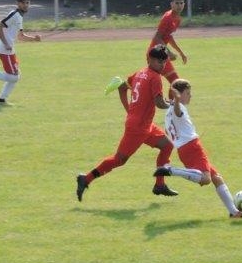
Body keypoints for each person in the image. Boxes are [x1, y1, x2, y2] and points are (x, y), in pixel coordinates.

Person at [76, 45, 178, 202]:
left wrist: (130, 110)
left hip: (144, 125)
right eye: (159, 61)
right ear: (150, 60)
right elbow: (159, 103)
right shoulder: (155, 78)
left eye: (165, 62)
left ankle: (159, 185)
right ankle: (86, 179)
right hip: (138, 128)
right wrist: (173, 104)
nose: (162, 65)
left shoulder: (140, 73)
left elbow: (123, 87)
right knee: (119, 160)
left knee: (167, 145)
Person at [153, 78, 242, 219]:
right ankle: (171, 170)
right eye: (187, 93)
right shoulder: (178, 107)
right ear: (178, 94)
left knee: (216, 178)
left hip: (183, 150)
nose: (190, 96)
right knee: (206, 179)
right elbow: (178, 111)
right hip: (193, 147)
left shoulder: (168, 112)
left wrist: (176, 101)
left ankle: (234, 212)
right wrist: (178, 100)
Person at [149, 0, 188, 82]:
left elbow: (169, 37)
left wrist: (181, 52)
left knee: (173, 81)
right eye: (176, 3)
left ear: (184, 4)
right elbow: (157, 37)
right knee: (174, 81)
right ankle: (126, 84)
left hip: (161, 53)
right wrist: (169, 52)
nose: (179, 5)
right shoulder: (167, 17)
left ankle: (125, 84)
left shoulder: (177, 18)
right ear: (171, 4)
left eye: (181, 3)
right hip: (155, 54)